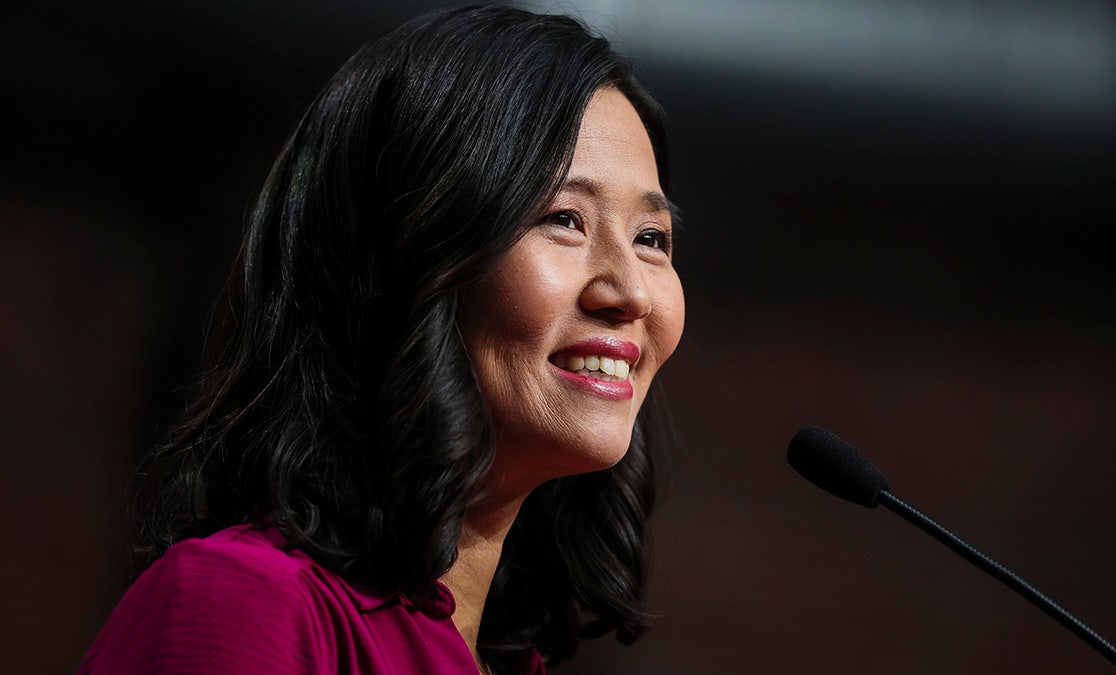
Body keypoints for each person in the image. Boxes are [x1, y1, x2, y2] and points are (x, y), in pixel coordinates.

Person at [80, 5, 684, 674]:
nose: (630, 292)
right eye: (564, 218)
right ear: (404, 258)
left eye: (650, 238)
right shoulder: (246, 603)